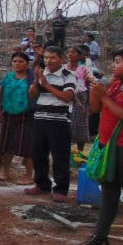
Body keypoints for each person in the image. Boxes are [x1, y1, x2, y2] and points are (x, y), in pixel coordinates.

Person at [80, 49, 123, 245]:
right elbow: (96, 108)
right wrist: (94, 90)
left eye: (118, 62)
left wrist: (104, 97)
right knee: (109, 192)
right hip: (109, 146)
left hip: (122, 146)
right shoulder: (116, 85)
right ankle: (100, 235)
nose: (114, 65)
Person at [25, 46, 76, 203]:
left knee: (60, 156)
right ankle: (42, 184)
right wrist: (36, 81)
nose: (48, 61)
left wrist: (47, 85)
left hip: (59, 121)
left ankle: (61, 189)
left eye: (52, 57)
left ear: (61, 59)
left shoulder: (68, 75)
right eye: (46, 57)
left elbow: (67, 97)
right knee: (39, 153)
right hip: (40, 118)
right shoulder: (42, 73)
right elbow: (32, 95)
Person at [0, 52, 35, 184]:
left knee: (28, 145)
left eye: (21, 61)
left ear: (27, 64)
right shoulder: (8, 77)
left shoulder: (32, 78)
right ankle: (5, 171)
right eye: (15, 61)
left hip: (26, 115)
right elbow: (1, 94)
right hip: (9, 114)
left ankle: (28, 174)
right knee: (6, 144)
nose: (17, 64)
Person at [66, 45, 92, 152]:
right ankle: (66, 150)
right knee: (66, 123)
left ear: (80, 56)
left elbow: (87, 84)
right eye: (69, 52)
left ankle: (80, 151)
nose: (70, 54)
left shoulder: (83, 69)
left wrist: (88, 101)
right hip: (66, 95)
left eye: (73, 52)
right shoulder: (64, 68)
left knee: (80, 124)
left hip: (81, 95)